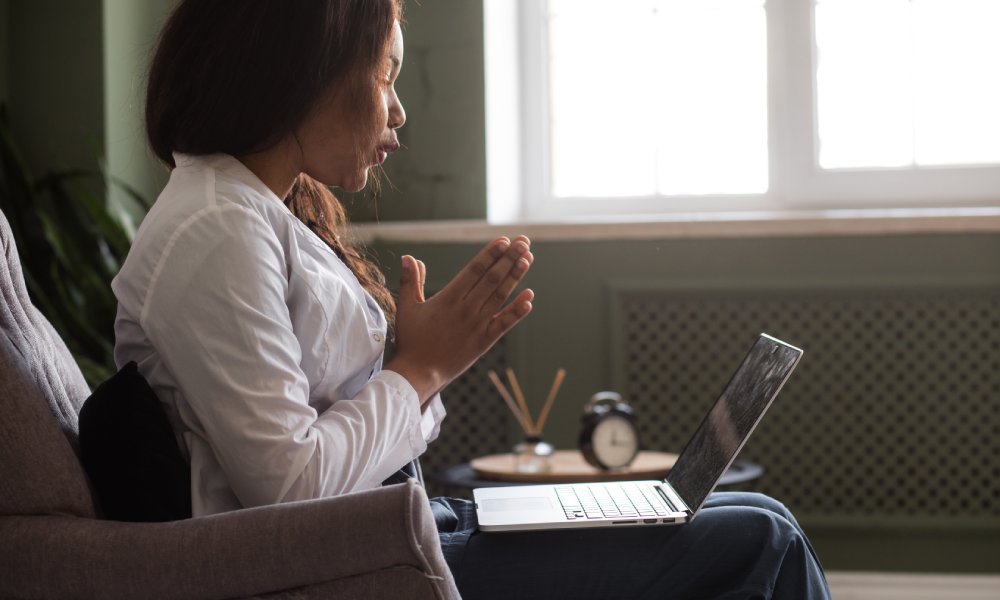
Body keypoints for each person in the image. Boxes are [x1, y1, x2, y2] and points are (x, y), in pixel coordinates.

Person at [114, 1, 832, 598]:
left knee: (757, 512)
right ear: (304, 72)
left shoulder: (256, 213)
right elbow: (291, 491)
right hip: (350, 566)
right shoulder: (216, 229)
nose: (397, 112)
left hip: (402, 527)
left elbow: (340, 433)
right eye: (385, 74)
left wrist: (411, 363)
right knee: (763, 541)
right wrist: (422, 369)